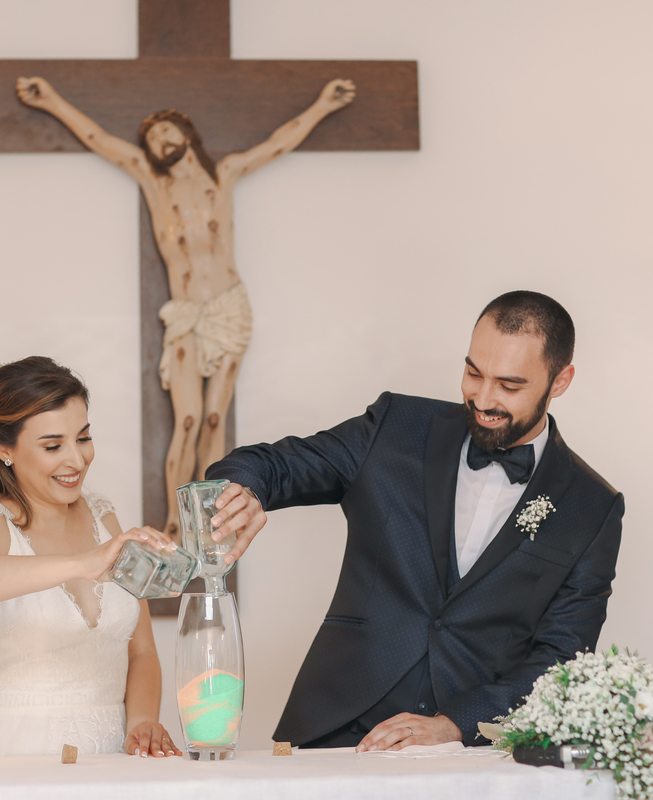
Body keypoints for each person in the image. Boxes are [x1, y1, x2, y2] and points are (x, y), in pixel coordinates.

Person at [204, 291, 624, 751]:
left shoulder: (592, 506)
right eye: (472, 372)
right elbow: (275, 465)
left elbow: (560, 659)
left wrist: (456, 725)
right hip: (336, 726)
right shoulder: (396, 427)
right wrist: (242, 490)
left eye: (509, 385)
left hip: (471, 752)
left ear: (560, 380)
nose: (483, 398)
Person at [15, 75, 357, 542]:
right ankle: (176, 521)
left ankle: (211, 521)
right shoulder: (154, 184)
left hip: (229, 309)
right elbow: (101, 140)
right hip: (186, 315)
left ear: (186, 133)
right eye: (152, 139)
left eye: (166, 132)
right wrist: (51, 99)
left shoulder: (226, 174)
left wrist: (323, 104)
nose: (159, 142)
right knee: (189, 420)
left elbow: (278, 143)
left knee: (215, 419)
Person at [0, 356, 182, 758]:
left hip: (114, 754)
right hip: (21, 753)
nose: (77, 461)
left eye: (82, 438)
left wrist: (142, 722)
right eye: (52, 445)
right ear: (3, 448)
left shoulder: (103, 516)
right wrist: (84, 563)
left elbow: (141, 650)